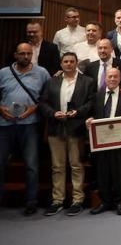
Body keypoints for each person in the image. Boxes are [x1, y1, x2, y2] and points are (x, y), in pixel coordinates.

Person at [39, 52, 95, 216]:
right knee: (57, 166)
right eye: (66, 61)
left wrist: (77, 112)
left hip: (76, 127)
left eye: (72, 61)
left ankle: (77, 199)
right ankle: (58, 200)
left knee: (76, 165)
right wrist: (52, 113)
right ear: (61, 64)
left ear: (77, 63)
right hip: (56, 127)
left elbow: (91, 102)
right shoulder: (52, 81)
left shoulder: (87, 82)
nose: (69, 64)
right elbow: (43, 102)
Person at [0, 43, 51, 215]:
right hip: (5, 124)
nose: (26, 56)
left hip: (30, 125)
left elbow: (47, 97)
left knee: (31, 165)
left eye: (29, 53)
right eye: (22, 53)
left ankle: (31, 201)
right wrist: (1, 109)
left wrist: (33, 108)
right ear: (15, 55)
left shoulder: (42, 73)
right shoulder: (3, 73)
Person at [86, 67, 121, 215]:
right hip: (101, 141)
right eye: (110, 77)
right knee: (103, 171)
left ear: (120, 79)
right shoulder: (97, 95)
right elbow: (91, 114)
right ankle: (105, 201)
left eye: (115, 77)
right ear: (105, 79)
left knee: (120, 171)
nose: (113, 79)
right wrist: (89, 120)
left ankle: (120, 202)